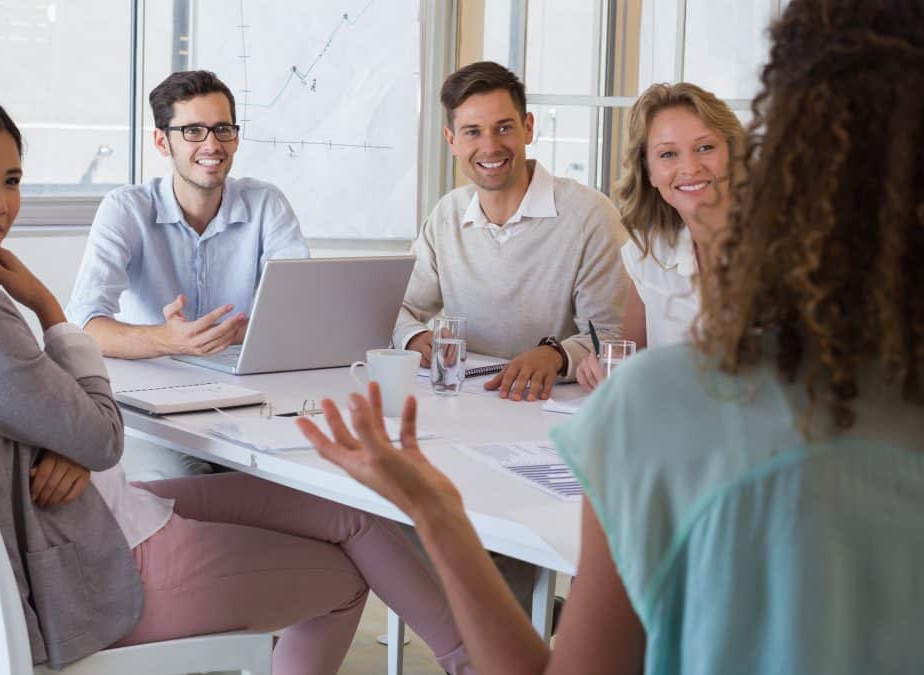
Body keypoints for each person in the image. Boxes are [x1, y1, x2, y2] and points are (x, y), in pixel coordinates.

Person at [299, 0, 924, 673]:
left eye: (707, 147)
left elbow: (609, 348)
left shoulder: (659, 399)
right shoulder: (474, 225)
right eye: (670, 154)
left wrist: (433, 508)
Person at [0, 85, 473, 675]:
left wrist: (69, 437)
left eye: (11, 180)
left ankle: (469, 664)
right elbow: (102, 437)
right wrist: (49, 309)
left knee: (350, 514)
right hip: (94, 562)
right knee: (348, 577)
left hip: (98, 512)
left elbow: (55, 420)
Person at [393, 61, 628, 403]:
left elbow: (613, 335)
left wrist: (557, 355)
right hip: (467, 402)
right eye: (473, 131)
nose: (490, 147)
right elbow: (395, 307)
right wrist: (413, 337)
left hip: (555, 408)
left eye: (503, 128)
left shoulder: (590, 215)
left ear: (528, 128)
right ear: (451, 140)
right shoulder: (447, 215)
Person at [65, 70, 309, 360]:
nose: (212, 145)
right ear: (161, 142)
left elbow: (299, 312)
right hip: (152, 379)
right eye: (193, 131)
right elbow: (83, 323)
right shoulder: (126, 209)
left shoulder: (266, 204)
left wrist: (232, 333)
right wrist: (166, 340)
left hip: (238, 377)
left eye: (222, 129)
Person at [575, 83, 744, 391]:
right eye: (668, 154)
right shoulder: (648, 252)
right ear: (649, 173)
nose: (690, 167)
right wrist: (605, 374)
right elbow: (630, 364)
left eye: (705, 147)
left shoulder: (783, 249)